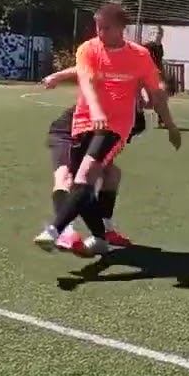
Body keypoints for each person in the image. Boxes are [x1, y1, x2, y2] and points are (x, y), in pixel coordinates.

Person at [33, 3, 180, 256]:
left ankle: (56, 231)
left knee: (86, 175)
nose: (100, 32)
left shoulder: (139, 56)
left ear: (122, 28)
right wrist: (95, 109)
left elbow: (156, 94)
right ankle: (100, 235)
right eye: (98, 27)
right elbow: (87, 80)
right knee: (80, 183)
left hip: (115, 126)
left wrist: (170, 125)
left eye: (106, 28)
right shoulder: (88, 49)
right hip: (82, 122)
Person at [41, 63, 155, 252]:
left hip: (90, 141)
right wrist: (57, 76)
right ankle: (64, 231)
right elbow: (86, 68)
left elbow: (109, 148)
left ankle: (106, 230)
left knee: (112, 174)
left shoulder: (137, 121)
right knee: (66, 177)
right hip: (66, 132)